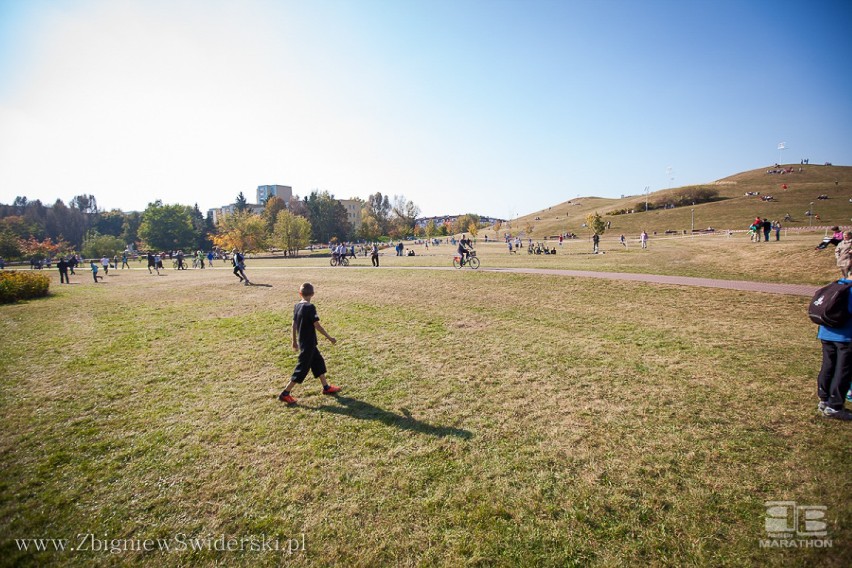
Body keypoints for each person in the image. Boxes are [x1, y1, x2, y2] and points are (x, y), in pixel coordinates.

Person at [278, 282, 342, 404]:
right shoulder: (310, 307)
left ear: (300, 293)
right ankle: (285, 393)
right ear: (312, 294)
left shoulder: (297, 306)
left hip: (306, 343)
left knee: (318, 362)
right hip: (308, 344)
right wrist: (329, 338)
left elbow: (294, 325)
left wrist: (294, 341)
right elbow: (317, 325)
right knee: (302, 369)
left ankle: (326, 387)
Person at [816, 278, 852, 420]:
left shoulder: (835, 285)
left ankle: (824, 399)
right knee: (843, 370)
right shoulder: (849, 291)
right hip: (845, 336)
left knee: (828, 366)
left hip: (826, 333)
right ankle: (835, 405)